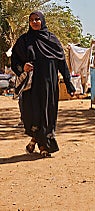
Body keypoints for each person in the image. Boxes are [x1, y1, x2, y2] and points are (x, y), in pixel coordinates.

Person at [11, 11, 75, 157]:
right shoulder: (24, 40)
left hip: (49, 85)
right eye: (31, 20)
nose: (34, 22)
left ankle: (43, 146)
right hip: (32, 86)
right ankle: (35, 139)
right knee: (31, 114)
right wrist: (23, 67)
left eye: (37, 19)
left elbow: (62, 63)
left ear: (42, 21)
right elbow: (14, 60)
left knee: (47, 114)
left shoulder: (52, 40)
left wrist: (69, 83)